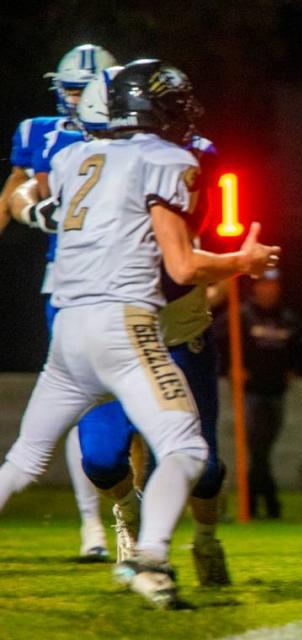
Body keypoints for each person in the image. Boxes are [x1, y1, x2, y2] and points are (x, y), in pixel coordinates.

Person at [0, 58, 280, 608]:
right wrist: (243, 262)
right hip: (125, 326)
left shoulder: (77, 155)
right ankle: (152, 559)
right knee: (186, 448)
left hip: (69, 329)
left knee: (25, 459)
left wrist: (26, 205)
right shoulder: (168, 159)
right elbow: (180, 267)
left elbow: (32, 205)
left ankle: (176, 543)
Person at [0, 43, 117, 561]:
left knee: (96, 415)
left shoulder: (133, 137)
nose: (77, 99)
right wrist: (31, 209)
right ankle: (98, 528)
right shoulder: (43, 134)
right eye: (70, 89)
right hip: (74, 285)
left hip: (124, 284)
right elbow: (18, 192)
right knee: (90, 409)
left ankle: (111, 525)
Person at [240, 268, 301, 519]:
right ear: (256, 287)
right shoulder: (243, 315)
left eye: (273, 285)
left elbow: (299, 348)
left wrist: (293, 369)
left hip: (276, 392)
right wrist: (233, 368)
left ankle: (258, 504)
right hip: (252, 392)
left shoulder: (286, 317)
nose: (269, 289)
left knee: (262, 449)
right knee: (257, 448)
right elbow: (222, 341)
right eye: (264, 284)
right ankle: (266, 505)